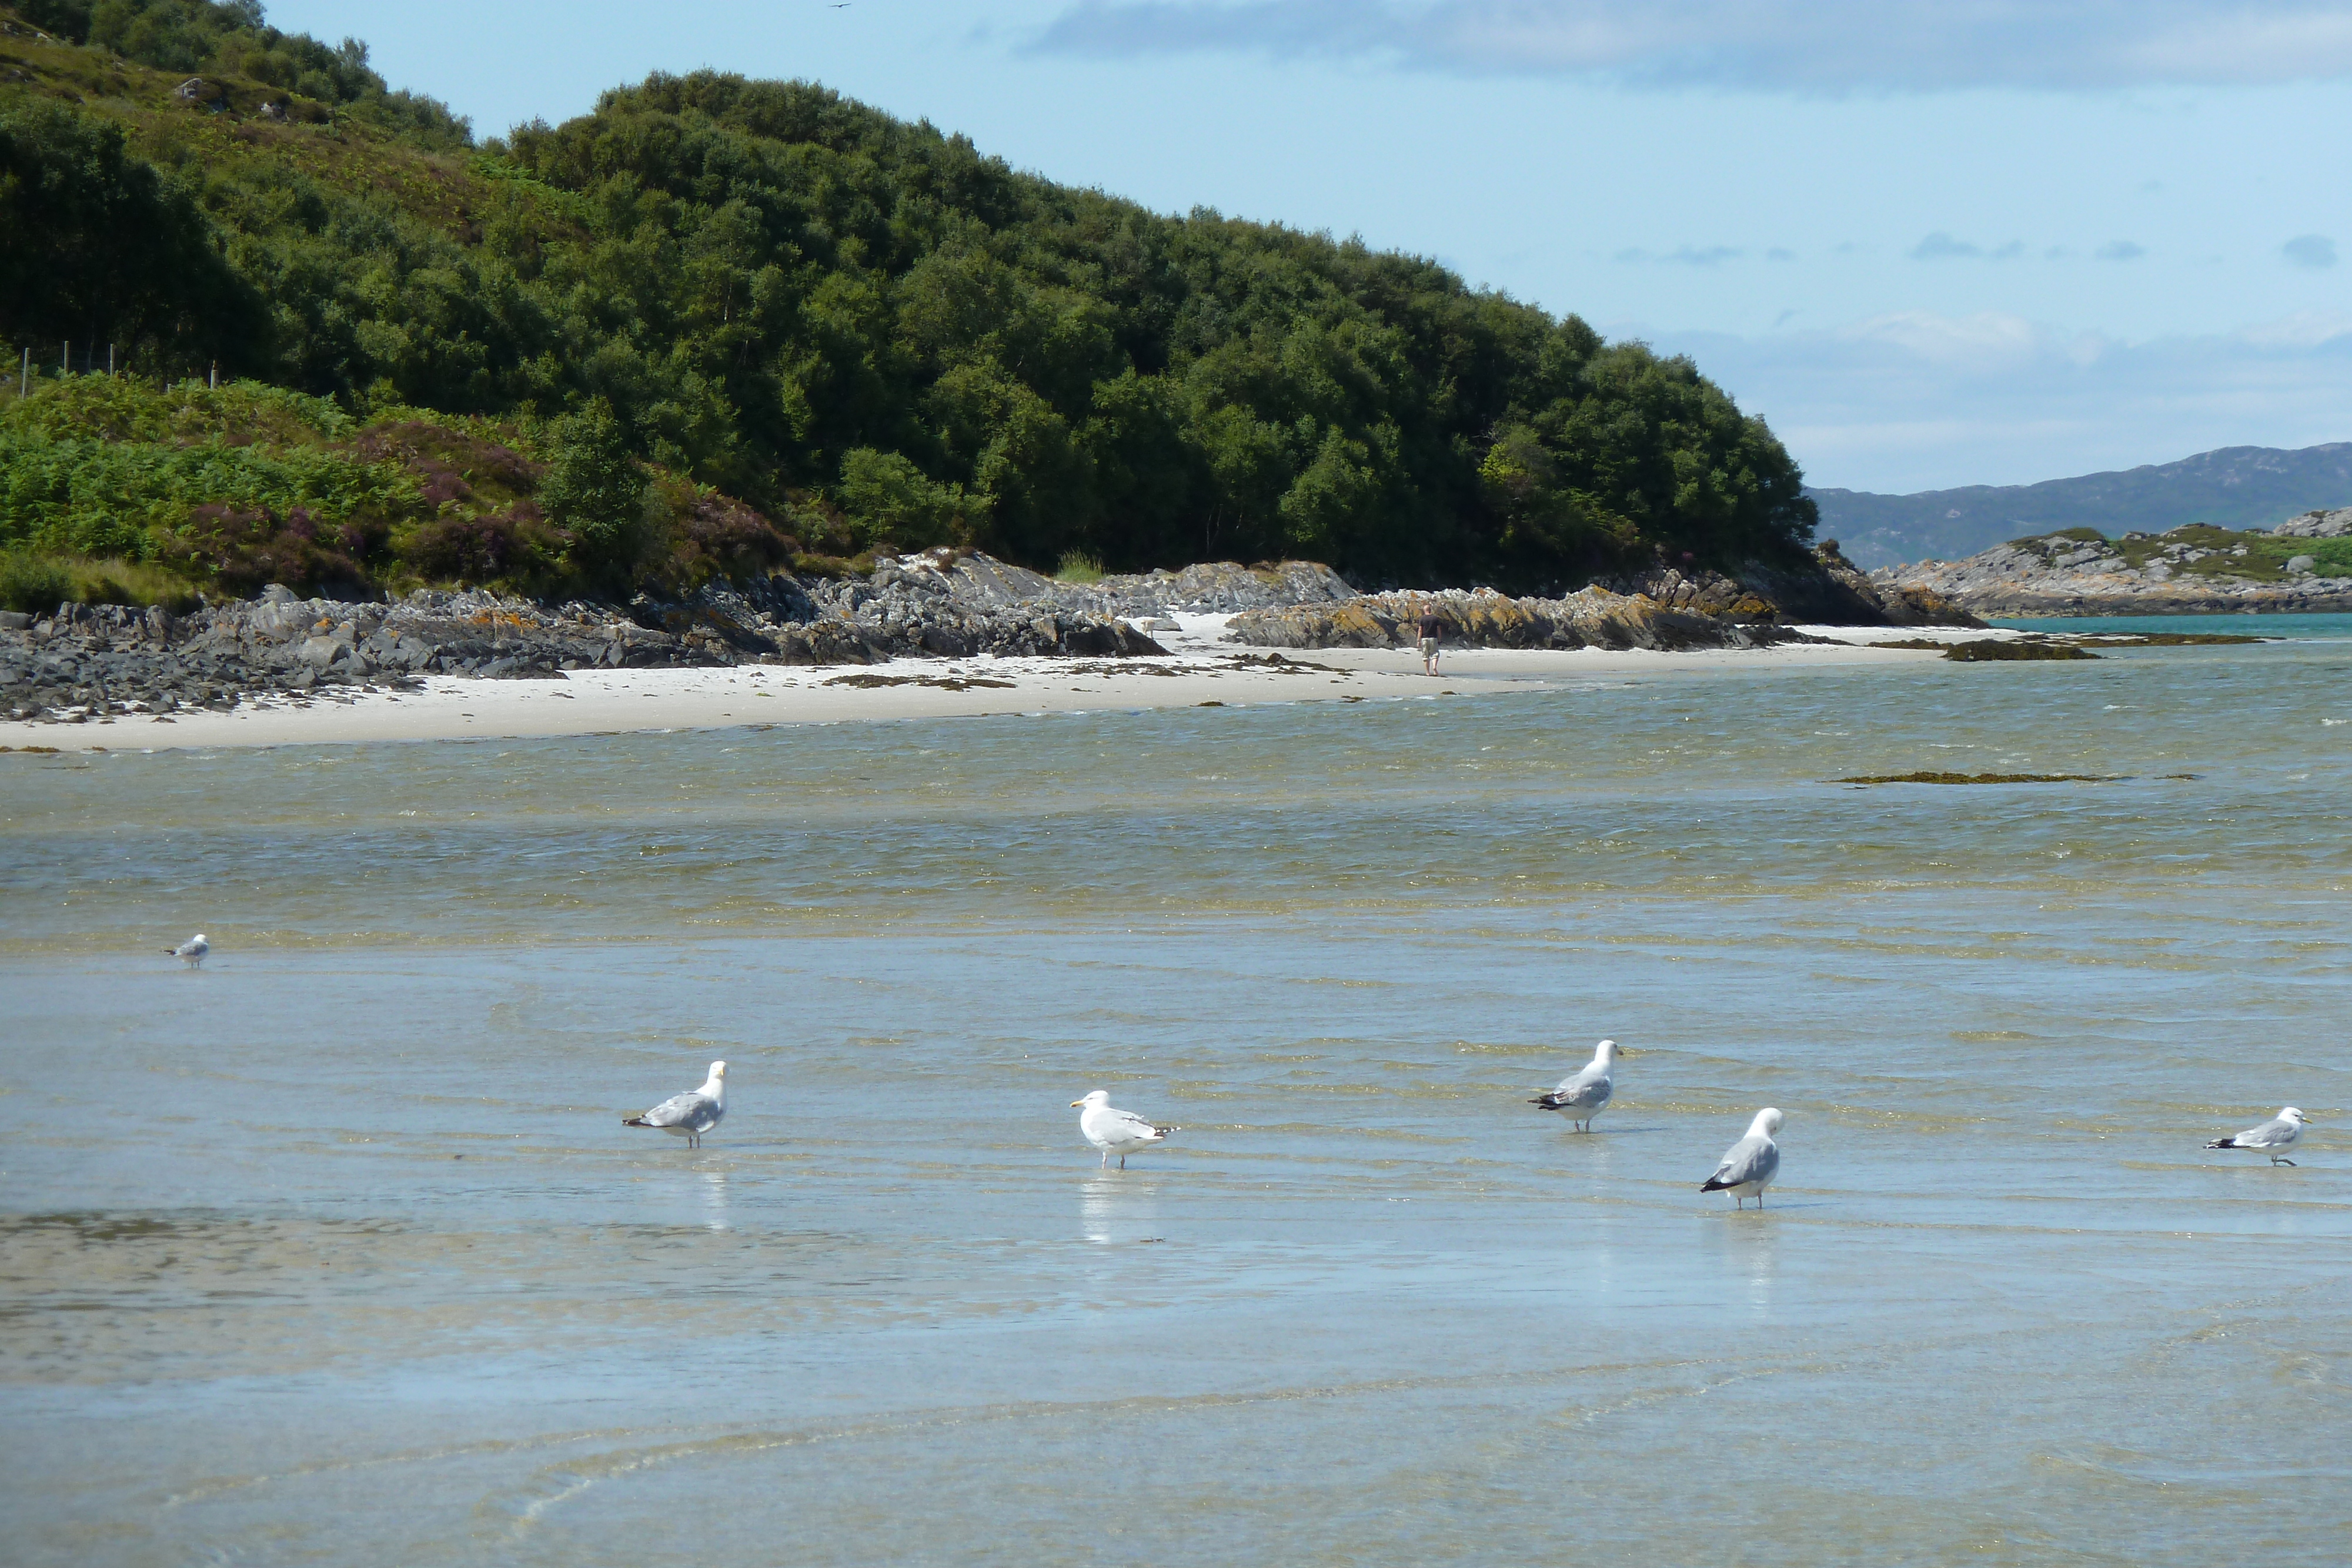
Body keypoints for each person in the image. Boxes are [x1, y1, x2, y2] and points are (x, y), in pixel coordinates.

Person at [1416, 607, 1444, 676]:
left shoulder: (1422, 619)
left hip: (1424, 639)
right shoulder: (1436, 618)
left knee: (1426, 656)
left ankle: (1428, 672)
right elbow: (1439, 630)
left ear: (1424, 610)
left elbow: (1420, 630)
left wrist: (1418, 640)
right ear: (1430, 610)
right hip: (1433, 638)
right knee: (1435, 654)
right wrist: (1439, 639)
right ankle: (1434, 667)